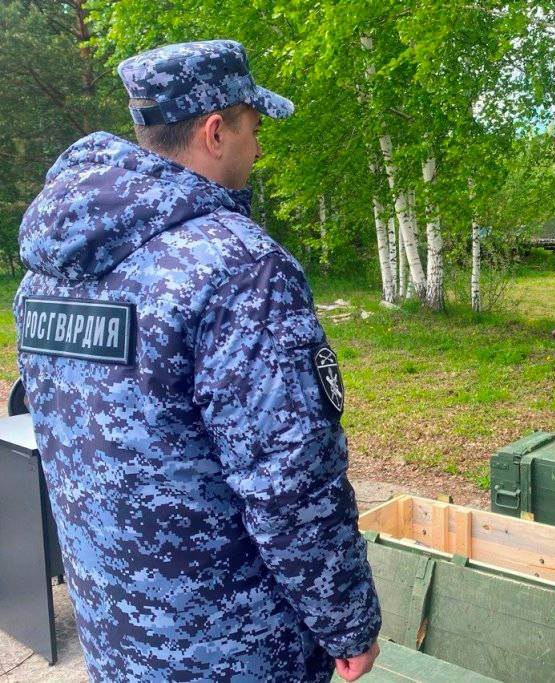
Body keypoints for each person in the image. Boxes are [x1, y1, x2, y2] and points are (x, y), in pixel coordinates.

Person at [14, 40, 380, 681]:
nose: (258, 149)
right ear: (216, 130)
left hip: (115, 632)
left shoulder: (49, 268)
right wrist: (347, 623)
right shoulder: (239, 268)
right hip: (234, 647)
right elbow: (290, 480)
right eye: (253, 129)